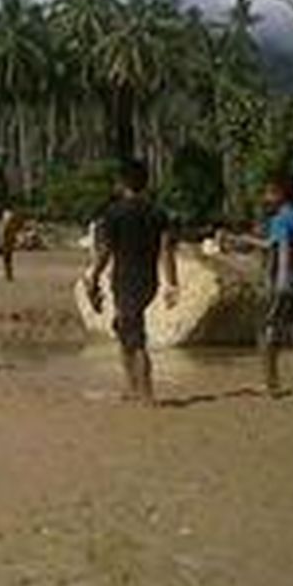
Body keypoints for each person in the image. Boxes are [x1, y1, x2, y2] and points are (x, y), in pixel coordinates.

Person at [85, 159, 179, 405]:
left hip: (125, 279)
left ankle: (146, 392)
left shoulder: (114, 213)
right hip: (149, 280)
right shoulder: (158, 213)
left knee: (135, 336)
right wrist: (171, 283)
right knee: (122, 327)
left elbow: (105, 251)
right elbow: (167, 250)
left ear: (122, 183)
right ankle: (131, 387)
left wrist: (93, 278)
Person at [261, 173, 293, 397]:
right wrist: (237, 240)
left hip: (286, 282)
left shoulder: (280, 220)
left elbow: (282, 248)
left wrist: (281, 281)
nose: (265, 197)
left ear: (279, 194)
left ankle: (272, 384)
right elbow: (270, 244)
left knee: (269, 331)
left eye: (268, 192)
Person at [0, 208, 23, 282]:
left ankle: (8, 276)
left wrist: (1, 244)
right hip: (9, 245)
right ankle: (9, 275)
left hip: (6, 245)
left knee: (7, 260)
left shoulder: (7, 226)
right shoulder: (11, 226)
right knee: (8, 260)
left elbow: (3, 235)